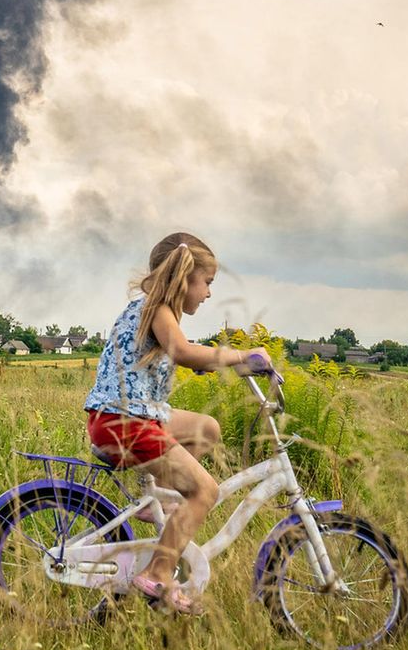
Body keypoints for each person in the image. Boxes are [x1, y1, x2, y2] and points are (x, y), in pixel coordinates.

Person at [82, 232, 271, 615]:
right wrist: (241, 356)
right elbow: (183, 351)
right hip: (126, 423)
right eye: (207, 282)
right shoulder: (157, 309)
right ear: (184, 278)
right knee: (205, 491)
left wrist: (210, 363)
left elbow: (176, 352)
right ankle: (158, 575)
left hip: (127, 417)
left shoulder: (150, 309)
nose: (209, 293)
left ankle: (162, 501)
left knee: (207, 428)